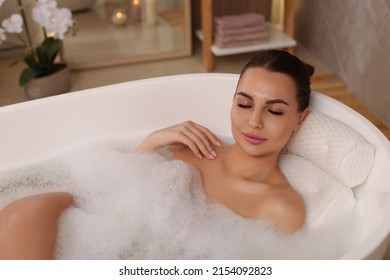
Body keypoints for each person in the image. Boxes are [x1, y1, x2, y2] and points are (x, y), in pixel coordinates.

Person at [0, 50, 314, 259]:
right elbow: (111, 196)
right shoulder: (191, 147)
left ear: (299, 119)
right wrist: (151, 142)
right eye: (244, 104)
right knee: (27, 208)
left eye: (274, 111)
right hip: (90, 234)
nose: (254, 121)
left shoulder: (282, 207)